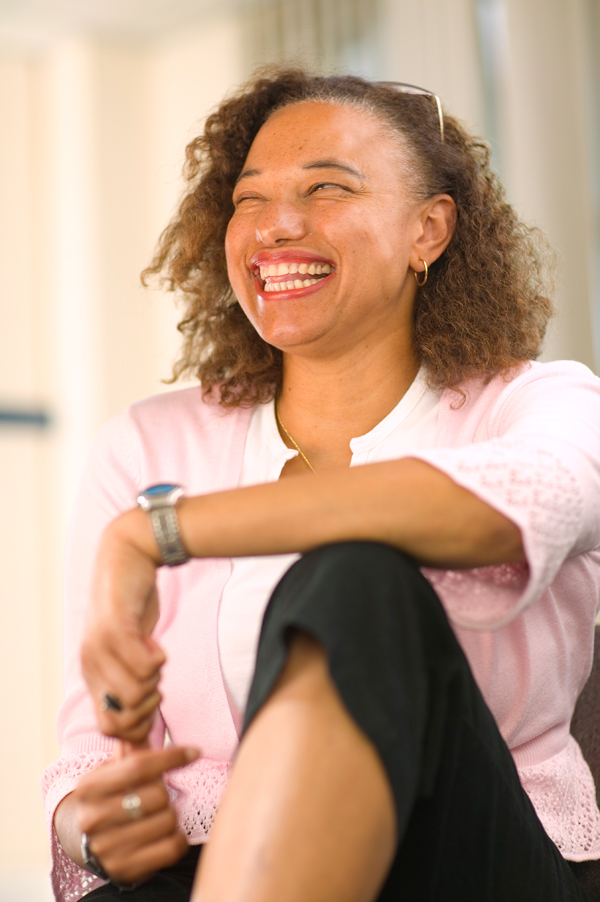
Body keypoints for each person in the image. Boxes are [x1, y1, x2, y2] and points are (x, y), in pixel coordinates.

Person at [42, 69, 600, 902]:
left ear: (430, 231)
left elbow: (512, 507)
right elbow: (89, 752)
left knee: (357, 578)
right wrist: (96, 823)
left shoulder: (541, 403)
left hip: (463, 853)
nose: (277, 226)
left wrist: (159, 532)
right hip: (198, 868)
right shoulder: (144, 444)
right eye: (249, 199)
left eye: (327, 187)